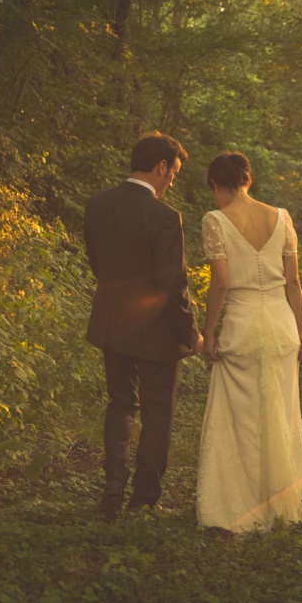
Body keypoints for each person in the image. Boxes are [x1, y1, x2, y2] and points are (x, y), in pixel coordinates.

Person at [84, 132, 203, 522]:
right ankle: (144, 499)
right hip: (156, 333)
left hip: (112, 323)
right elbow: (173, 286)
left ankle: (112, 494)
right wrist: (191, 332)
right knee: (157, 414)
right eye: (174, 173)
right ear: (161, 167)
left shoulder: (98, 205)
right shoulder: (165, 218)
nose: (173, 182)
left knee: (120, 405)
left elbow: (98, 265)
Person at [196, 150, 302, 532]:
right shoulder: (282, 218)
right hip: (281, 326)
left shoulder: (215, 220)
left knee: (239, 417)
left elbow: (222, 283)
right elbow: (293, 281)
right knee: (280, 412)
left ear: (216, 185)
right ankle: (280, 501)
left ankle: (240, 505)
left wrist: (209, 331)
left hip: (242, 326)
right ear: (249, 180)